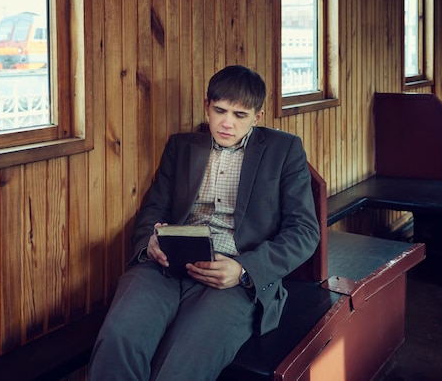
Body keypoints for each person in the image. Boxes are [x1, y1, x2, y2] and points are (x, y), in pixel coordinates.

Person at [88, 65, 320, 381]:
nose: (227, 123)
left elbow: (304, 231)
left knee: (182, 366)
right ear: (206, 107)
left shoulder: (284, 150)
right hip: (165, 266)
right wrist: (150, 243)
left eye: (240, 115)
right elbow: (152, 209)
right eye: (219, 110)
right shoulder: (181, 146)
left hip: (235, 277)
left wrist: (243, 269)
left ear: (258, 116)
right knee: (119, 340)